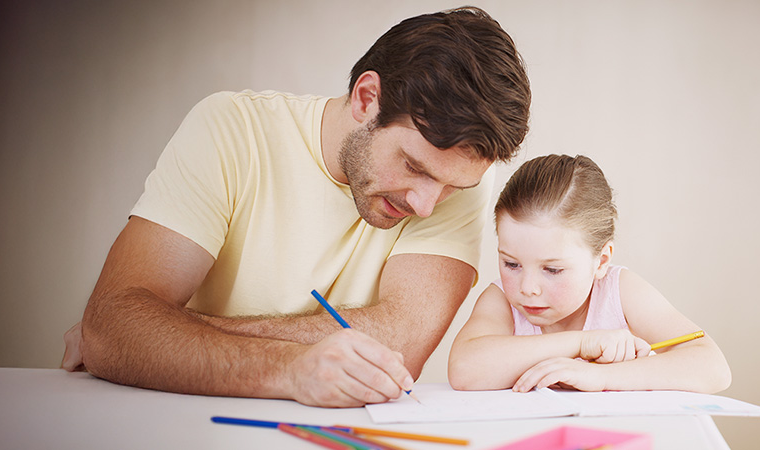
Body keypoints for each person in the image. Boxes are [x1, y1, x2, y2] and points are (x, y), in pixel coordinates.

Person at [61, 6, 531, 407]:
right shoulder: (232, 129)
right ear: (367, 99)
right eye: (413, 166)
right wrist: (289, 368)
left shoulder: (455, 175)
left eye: (452, 187)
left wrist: (161, 334)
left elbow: (398, 348)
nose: (426, 206)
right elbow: (113, 330)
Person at [448, 154, 731, 393]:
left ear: (601, 261)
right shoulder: (500, 300)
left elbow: (714, 368)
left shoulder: (620, 291)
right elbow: (464, 370)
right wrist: (581, 343)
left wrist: (602, 377)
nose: (528, 287)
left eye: (552, 269)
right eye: (511, 264)